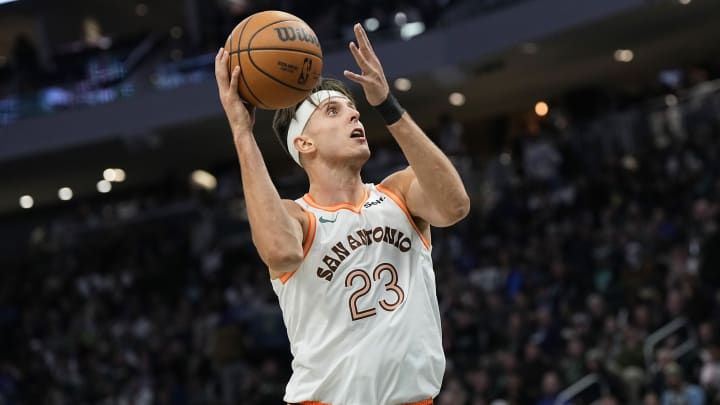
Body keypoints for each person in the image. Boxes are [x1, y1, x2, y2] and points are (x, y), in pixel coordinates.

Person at [214, 22, 470, 405]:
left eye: (354, 110)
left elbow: (455, 206)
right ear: (304, 142)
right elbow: (280, 251)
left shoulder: (398, 193)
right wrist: (242, 132)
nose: (355, 117)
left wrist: (387, 104)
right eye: (334, 111)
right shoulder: (297, 217)